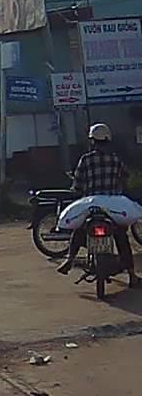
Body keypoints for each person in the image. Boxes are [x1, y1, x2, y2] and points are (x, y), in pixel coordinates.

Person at [57, 123, 138, 286]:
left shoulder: (86, 159)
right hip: (112, 207)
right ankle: (131, 275)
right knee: (122, 237)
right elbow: (125, 177)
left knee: (79, 230)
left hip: (90, 206)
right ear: (108, 140)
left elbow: (78, 184)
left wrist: (77, 190)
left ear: (92, 141)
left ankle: (69, 259)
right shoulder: (115, 159)